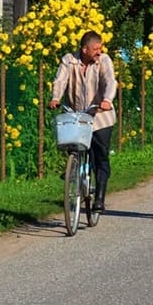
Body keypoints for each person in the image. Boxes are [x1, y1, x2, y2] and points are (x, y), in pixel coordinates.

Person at [48, 31, 117, 213]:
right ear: (84, 49)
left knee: (100, 156)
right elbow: (60, 80)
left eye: (100, 48)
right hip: (77, 117)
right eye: (95, 49)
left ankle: (99, 198)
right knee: (72, 145)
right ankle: (73, 169)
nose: (99, 51)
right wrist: (55, 98)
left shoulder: (104, 61)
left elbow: (110, 81)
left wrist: (107, 100)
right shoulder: (69, 60)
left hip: (100, 117)